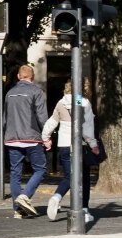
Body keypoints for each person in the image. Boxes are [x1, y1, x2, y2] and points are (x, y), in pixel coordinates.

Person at [41, 80, 102, 223]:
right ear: (85, 89)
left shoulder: (61, 103)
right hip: (81, 145)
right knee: (84, 177)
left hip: (64, 145)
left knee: (69, 176)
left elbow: (51, 122)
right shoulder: (85, 103)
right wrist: (93, 144)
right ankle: (84, 210)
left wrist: (45, 138)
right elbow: (87, 127)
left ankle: (56, 197)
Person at [3, 64, 51, 218]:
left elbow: (5, 119)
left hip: (12, 138)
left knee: (15, 173)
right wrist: (47, 137)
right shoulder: (37, 92)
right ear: (33, 76)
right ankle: (25, 196)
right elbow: (42, 117)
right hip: (31, 138)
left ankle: (18, 210)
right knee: (40, 169)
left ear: (18, 76)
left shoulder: (9, 93)